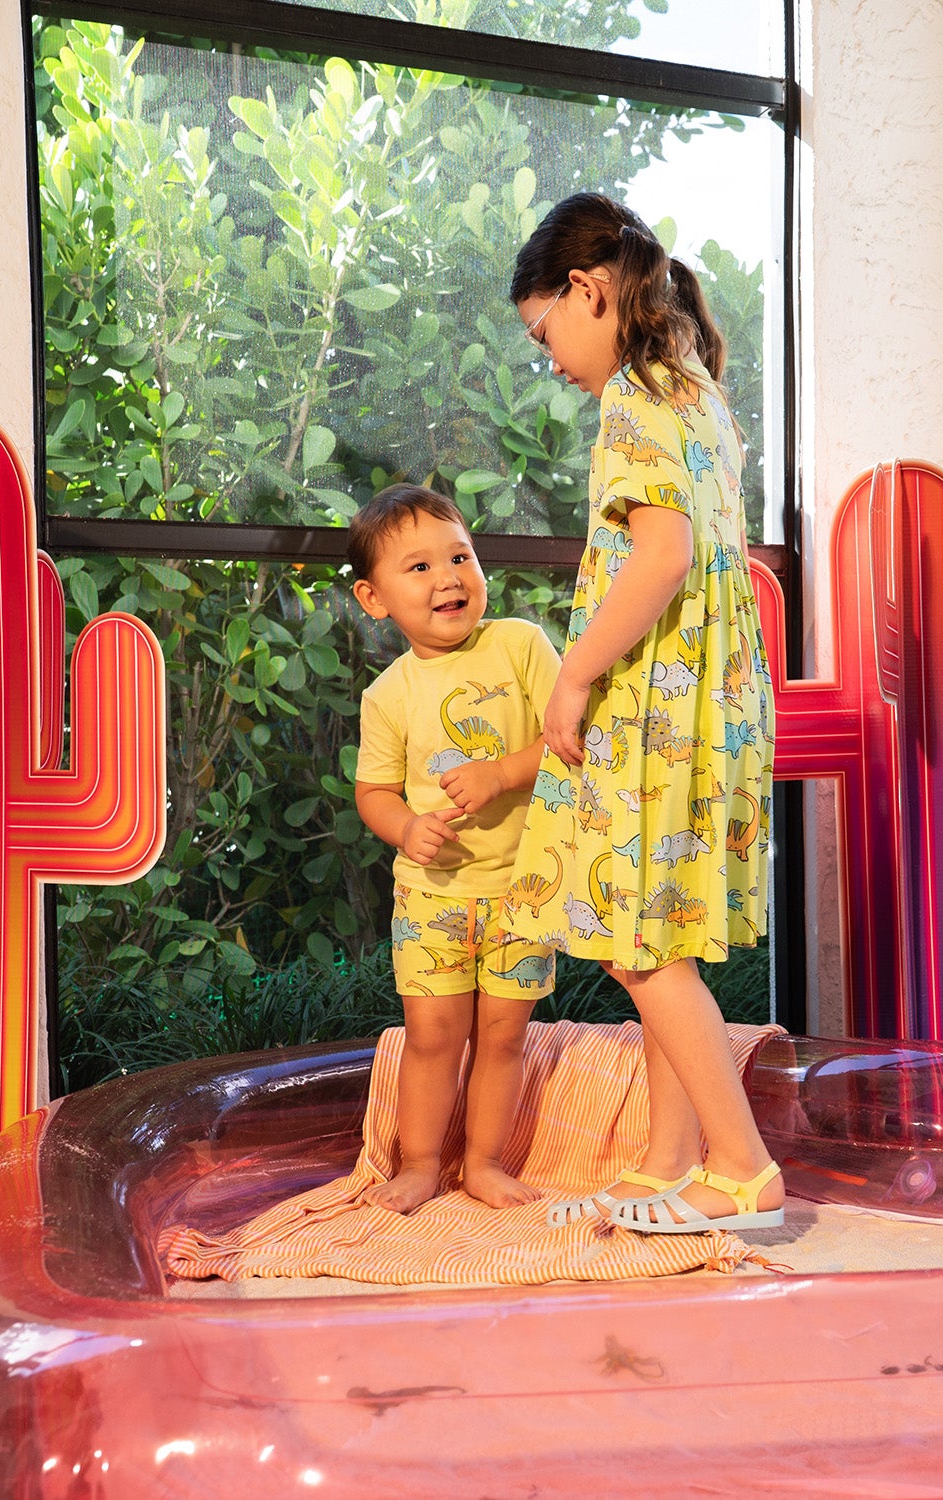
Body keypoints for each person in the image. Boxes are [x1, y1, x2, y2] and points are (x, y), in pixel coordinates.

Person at [502, 192, 785, 1234]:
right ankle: (671, 1161)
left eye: (544, 335)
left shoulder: (633, 396)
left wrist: (572, 675)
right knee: (659, 935)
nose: (550, 362)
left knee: (638, 945)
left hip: (657, 708)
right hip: (712, 705)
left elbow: (661, 557)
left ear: (588, 290)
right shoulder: (693, 388)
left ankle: (742, 1169)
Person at [351, 484, 561, 1212]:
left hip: (525, 890)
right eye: (419, 567)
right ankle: (417, 1164)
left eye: (460, 557)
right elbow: (374, 792)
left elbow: (571, 738)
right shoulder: (388, 695)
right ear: (373, 598)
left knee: (502, 1038)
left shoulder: (520, 645)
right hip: (431, 897)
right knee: (432, 1037)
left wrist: (501, 772)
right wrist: (407, 827)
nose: (448, 577)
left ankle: (483, 1163)